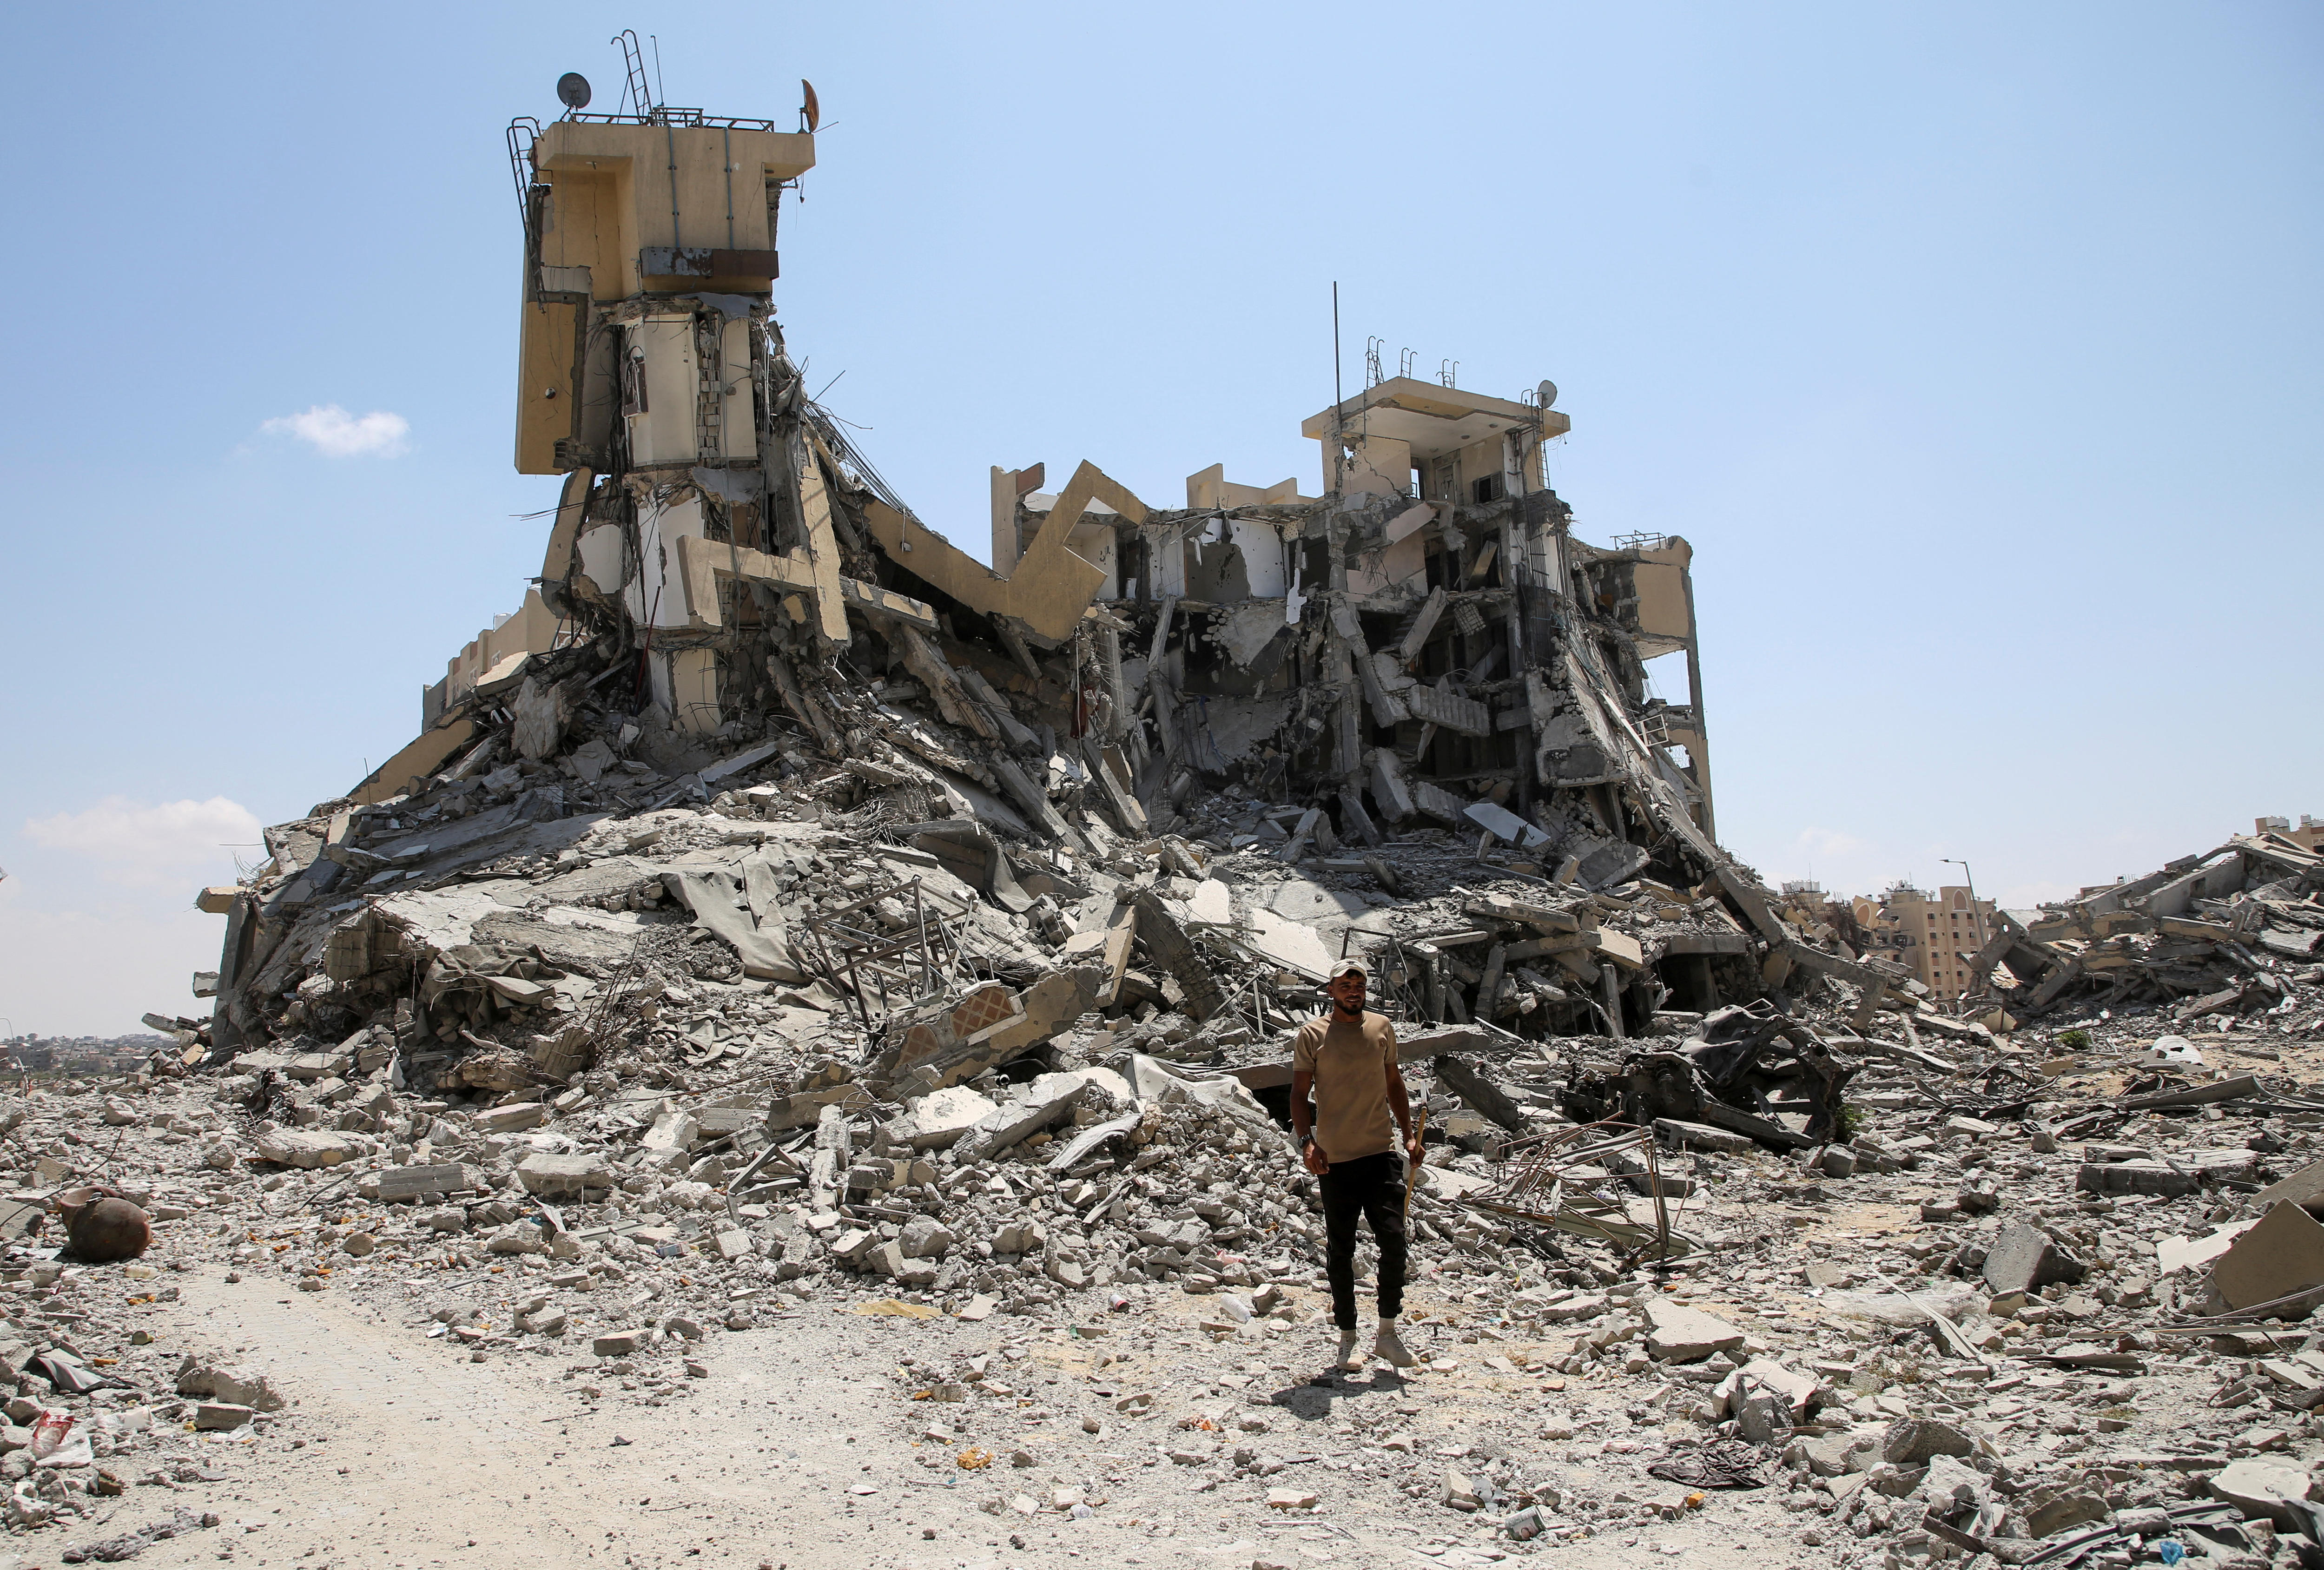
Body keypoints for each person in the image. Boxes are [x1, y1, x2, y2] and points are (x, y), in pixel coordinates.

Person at [1289, 957, 1423, 1372]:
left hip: (1379, 1153)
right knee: (1342, 1249)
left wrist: (1409, 1133)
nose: (1353, 991)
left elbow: (1394, 1082)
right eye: (1345, 986)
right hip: (1335, 1159)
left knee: (1394, 1241)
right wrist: (1307, 1143)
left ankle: (1387, 1332)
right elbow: (1298, 1094)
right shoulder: (1312, 1035)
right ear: (1330, 991)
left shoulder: (1381, 1028)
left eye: (1359, 985)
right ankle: (1348, 1335)